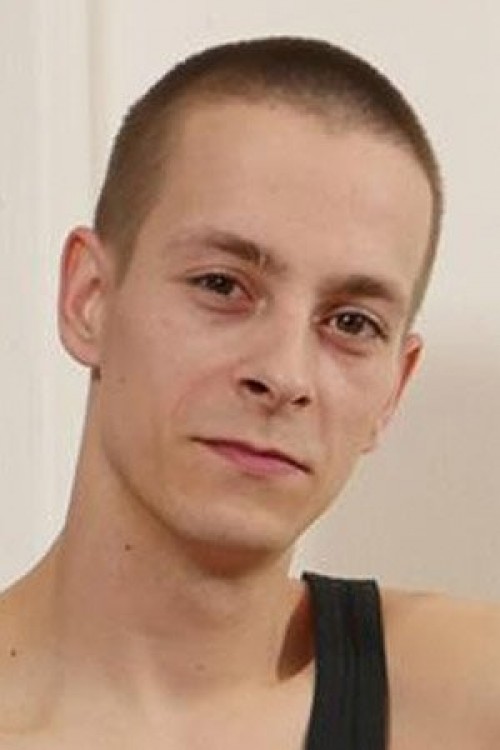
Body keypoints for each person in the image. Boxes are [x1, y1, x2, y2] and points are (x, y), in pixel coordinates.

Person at [0, 36, 498, 750]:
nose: (284, 375)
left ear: (394, 387)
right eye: (222, 285)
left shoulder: (466, 707)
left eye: (352, 323)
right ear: (90, 299)